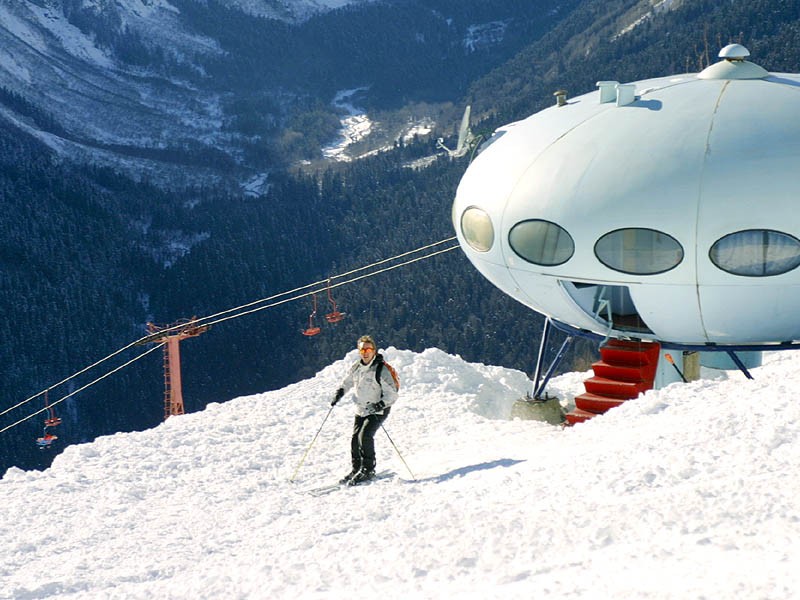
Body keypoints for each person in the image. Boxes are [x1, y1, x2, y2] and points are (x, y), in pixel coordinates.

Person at [331, 335, 398, 485]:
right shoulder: (357, 367)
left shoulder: (381, 369)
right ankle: (357, 469)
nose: (365, 352)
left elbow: (392, 394)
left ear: (374, 350)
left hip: (378, 409)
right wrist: (339, 392)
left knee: (365, 436)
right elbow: (347, 382)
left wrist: (380, 405)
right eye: (362, 349)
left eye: (368, 349)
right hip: (361, 408)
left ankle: (368, 469)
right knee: (355, 438)